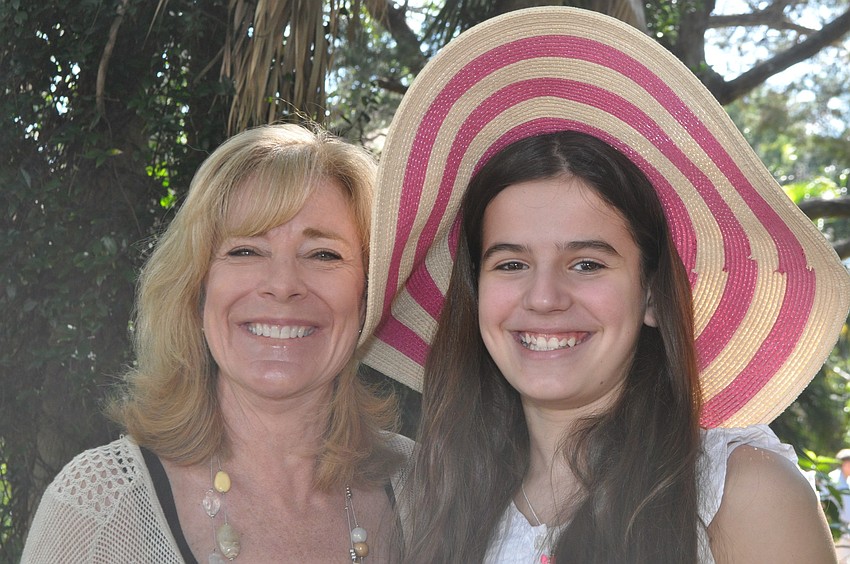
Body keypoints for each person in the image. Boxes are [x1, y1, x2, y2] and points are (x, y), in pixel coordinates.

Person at [356, 7, 849, 563]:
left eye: (587, 264)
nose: (544, 298)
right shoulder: (431, 506)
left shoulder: (740, 495)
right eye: (511, 264)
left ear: (655, 298)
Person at [22, 124, 412, 563]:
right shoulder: (98, 509)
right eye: (245, 251)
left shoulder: (427, 489)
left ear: (368, 294)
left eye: (324, 254)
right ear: (197, 287)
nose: (283, 286)